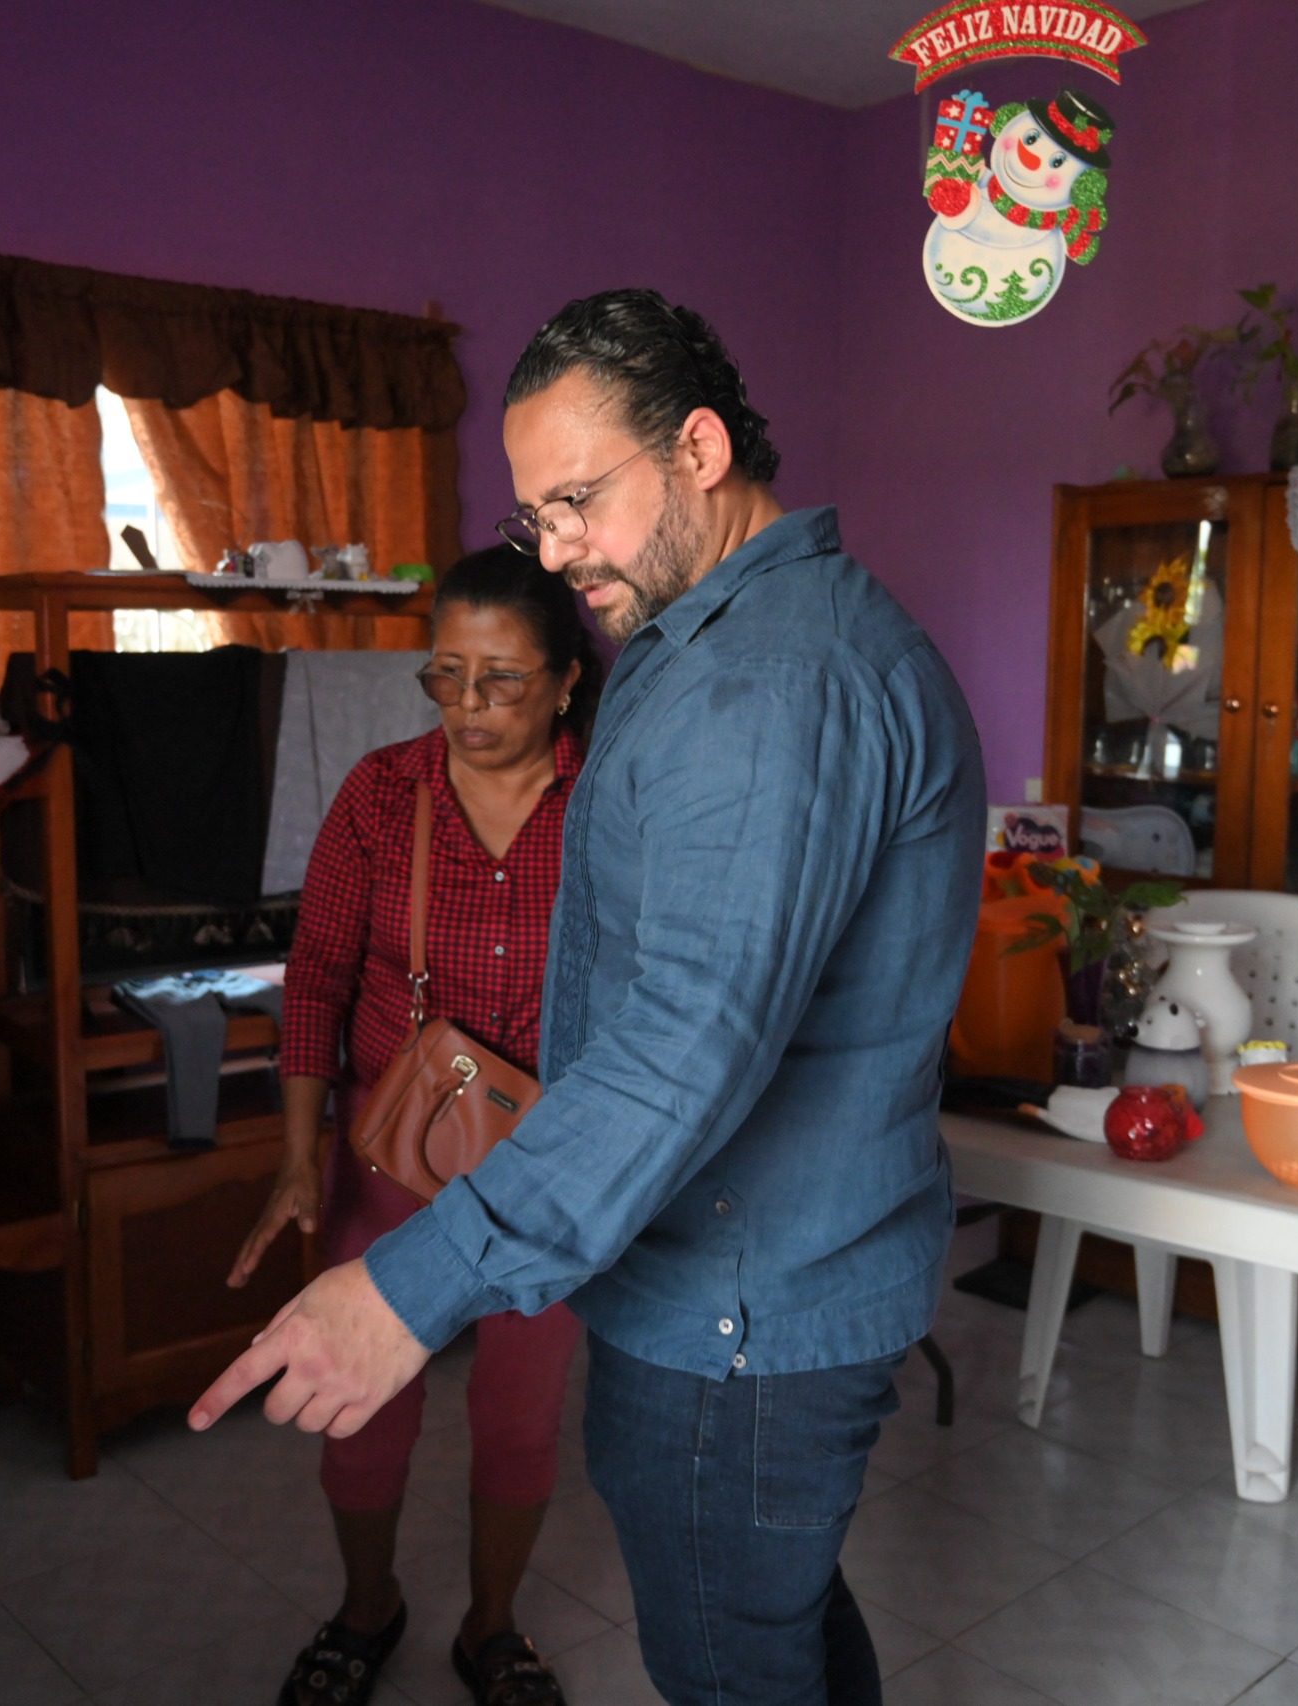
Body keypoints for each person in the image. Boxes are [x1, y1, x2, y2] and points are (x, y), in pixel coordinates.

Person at [192, 290, 985, 1706]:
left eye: (578, 501)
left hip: (738, 1307)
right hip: (737, 1279)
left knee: (736, 1660)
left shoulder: (768, 680)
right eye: (533, 514)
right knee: (778, 1628)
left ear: (698, 450)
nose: (554, 549)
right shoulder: (715, 641)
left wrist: (412, 1286)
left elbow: (688, 1037)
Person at [229, 545, 601, 1706]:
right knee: (363, 1401)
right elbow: (316, 976)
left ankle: (492, 1627)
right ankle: (366, 1607)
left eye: (502, 679)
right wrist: (299, 1154)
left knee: (520, 1412)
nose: (468, 706)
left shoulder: (612, 803)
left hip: (546, 1167)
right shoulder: (382, 793)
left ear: (565, 683)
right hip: (390, 1149)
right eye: (447, 674)